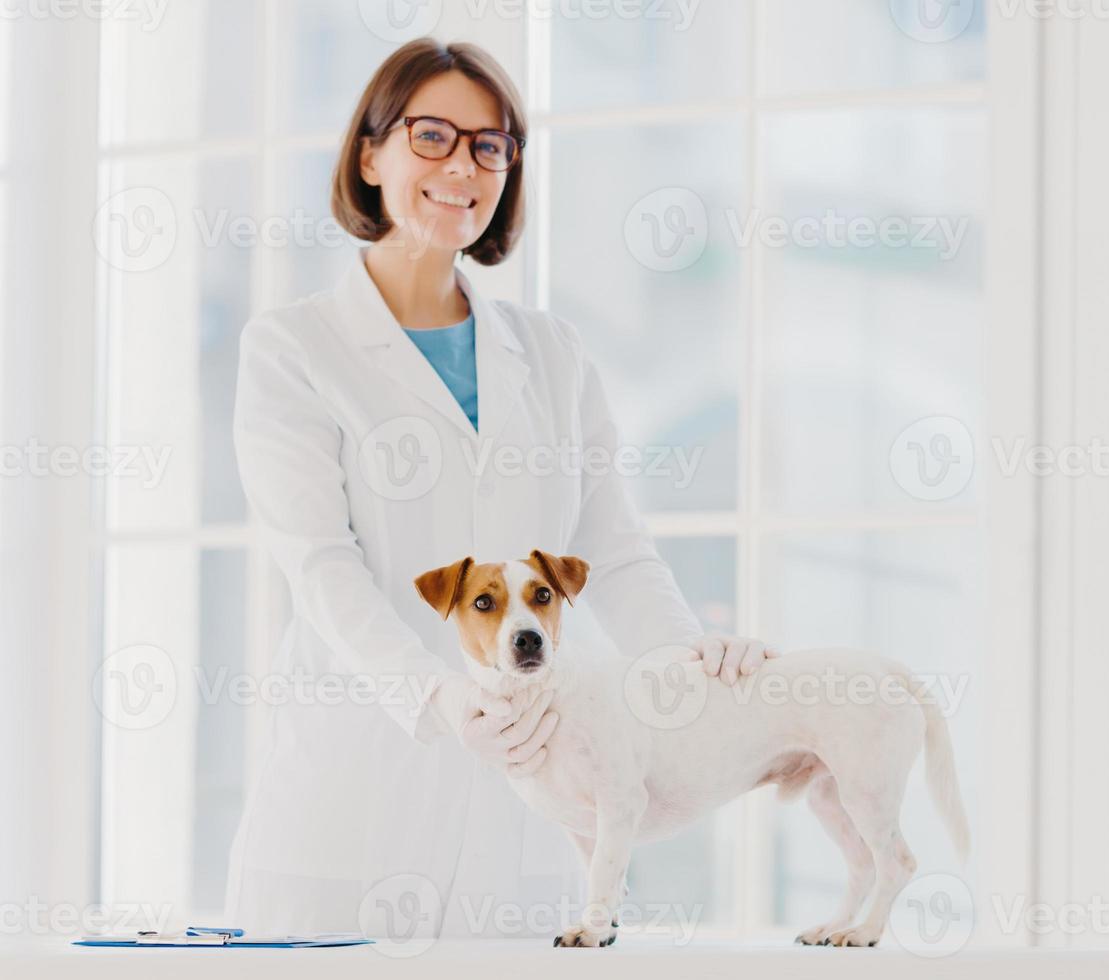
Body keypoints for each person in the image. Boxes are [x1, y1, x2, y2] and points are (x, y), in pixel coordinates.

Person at [223, 37, 776, 941]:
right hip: (351, 793)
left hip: (535, 799)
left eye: (491, 146)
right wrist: (437, 698)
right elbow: (322, 568)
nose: (462, 166)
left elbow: (615, 549)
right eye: (431, 135)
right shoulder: (294, 349)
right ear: (370, 153)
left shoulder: (552, 354)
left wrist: (691, 664)